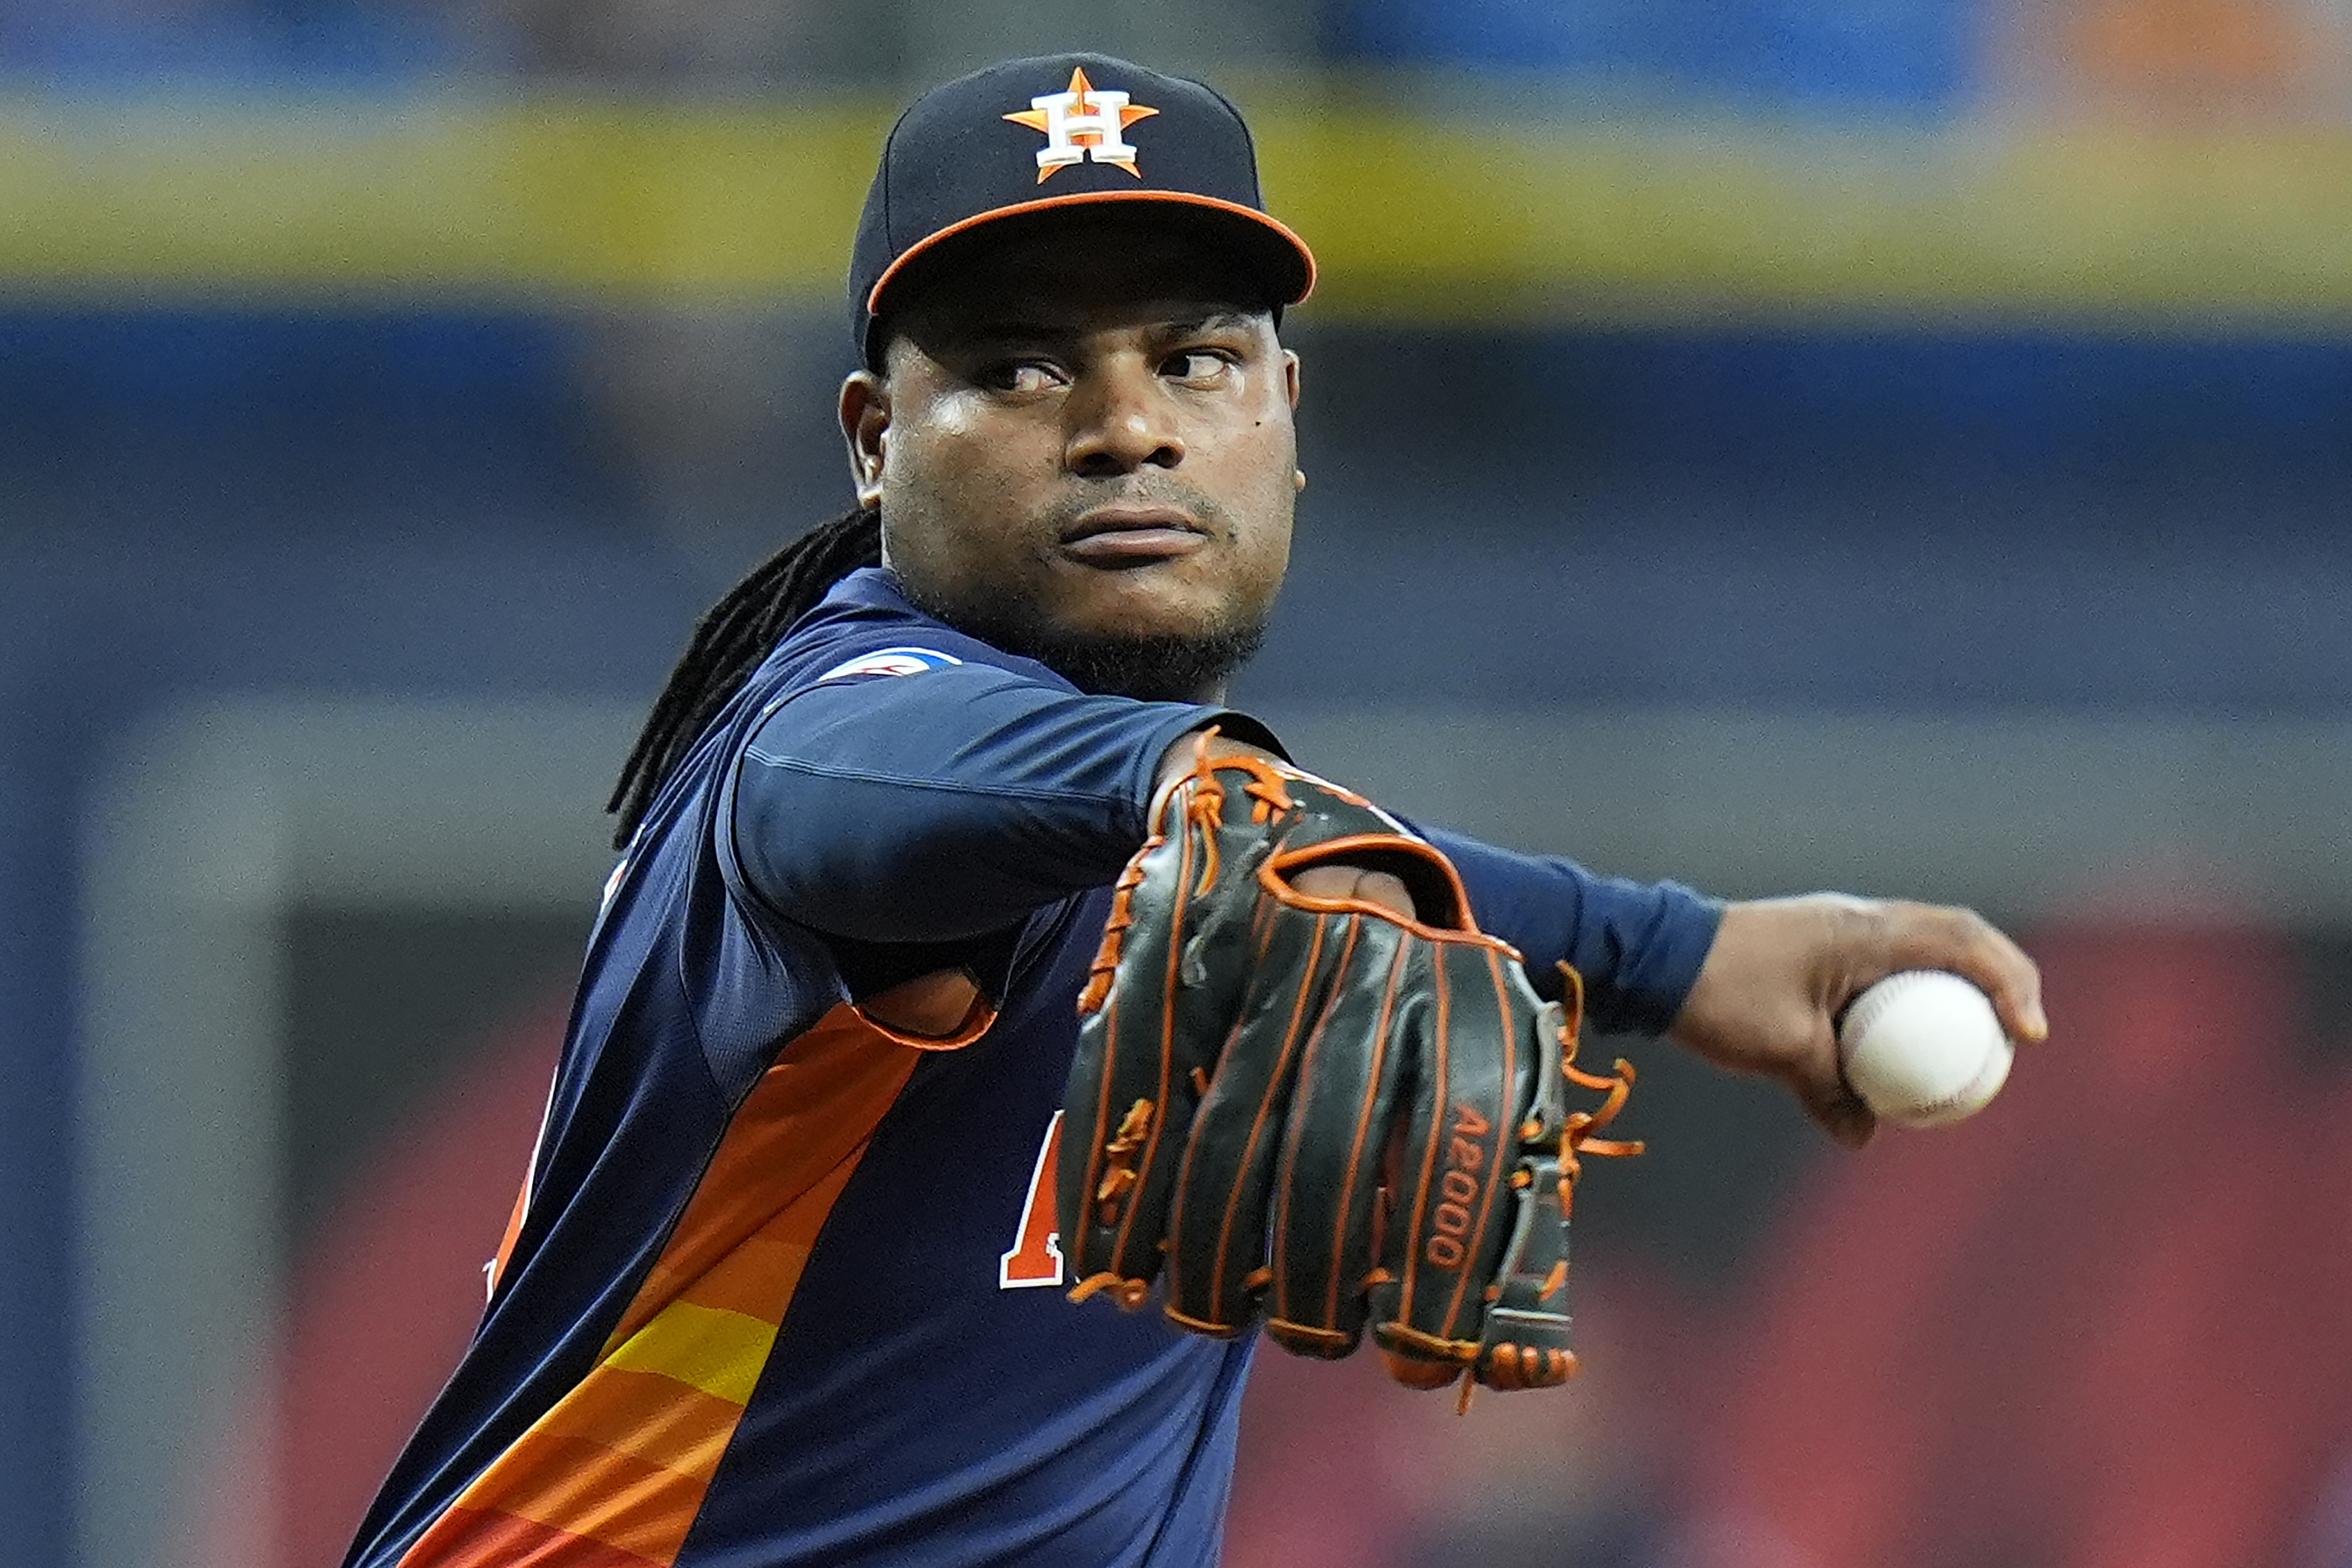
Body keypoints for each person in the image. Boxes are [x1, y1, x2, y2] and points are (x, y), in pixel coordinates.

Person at [340, 51, 2045, 1568]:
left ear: (1286, 416)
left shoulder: (1202, 831)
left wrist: (1682, 954)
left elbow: (1323, 856)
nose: (1129, 427)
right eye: (1016, 371)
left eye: (1198, 357)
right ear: (873, 443)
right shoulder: (832, 729)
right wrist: (1181, 783)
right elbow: (855, 805)